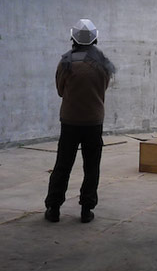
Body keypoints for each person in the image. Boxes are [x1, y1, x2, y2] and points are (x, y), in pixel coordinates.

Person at [44, 18, 115, 224]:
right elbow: (103, 89)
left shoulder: (66, 62)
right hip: (93, 122)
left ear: (72, 37)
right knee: (91, 166)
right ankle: (86, 209)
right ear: (95, 39)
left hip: (70, 122)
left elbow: (60, 91)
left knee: (63, 165)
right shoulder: (103, 64)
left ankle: (54, 208)